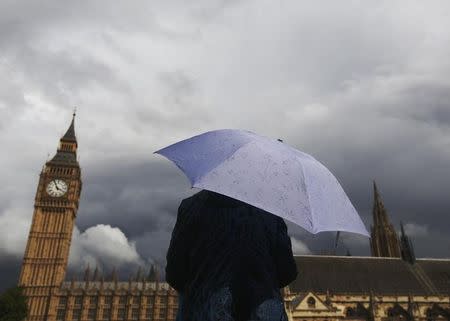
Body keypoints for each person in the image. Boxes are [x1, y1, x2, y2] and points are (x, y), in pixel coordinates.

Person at [165, 190, 298, 321]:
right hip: (260, 311)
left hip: (202, 311)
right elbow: (287, 272)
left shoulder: (190, 207)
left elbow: (175, 274)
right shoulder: (270, 211)